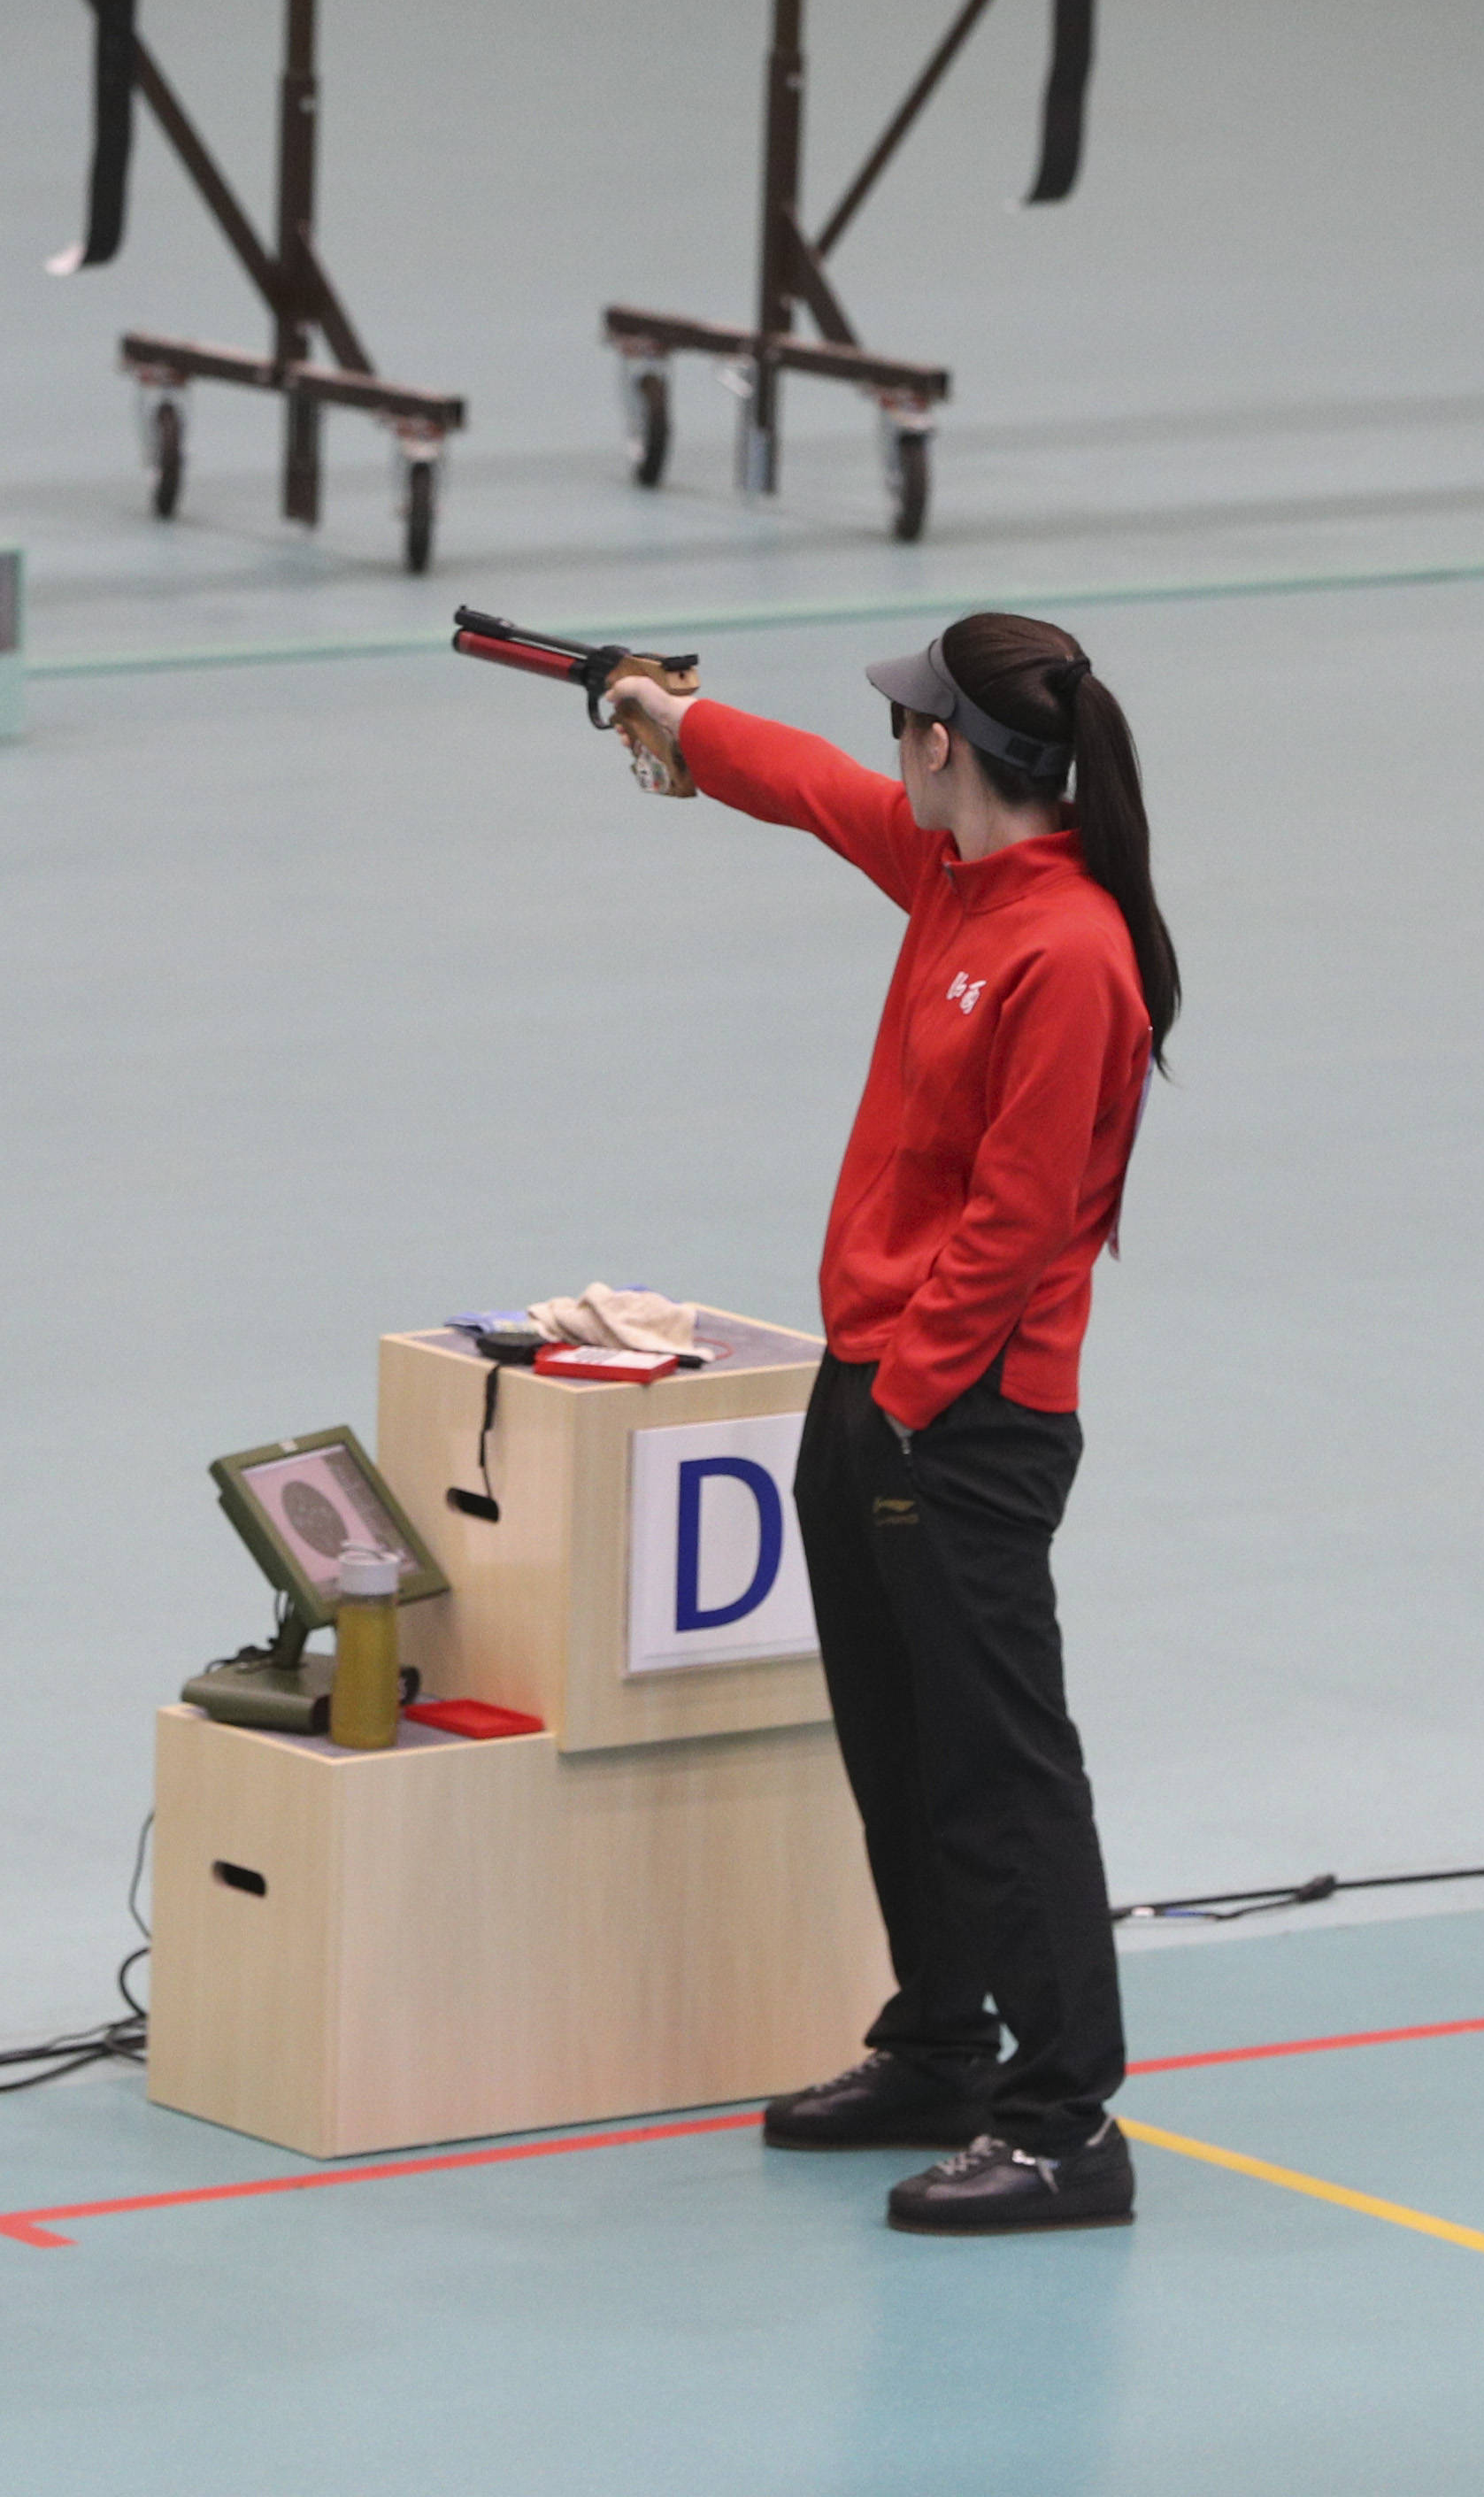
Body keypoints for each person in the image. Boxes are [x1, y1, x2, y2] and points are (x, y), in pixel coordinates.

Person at [606, 615, 1179, 2232]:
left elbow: (1017, 1222)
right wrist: (670, 716)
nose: (891, 751)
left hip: (967, 1412)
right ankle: (942, 2041)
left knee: (1001, 1768)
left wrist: (909, 1406)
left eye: (908, 726)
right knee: (896, 1743)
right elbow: (800, 783)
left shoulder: (1069, 951)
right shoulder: (950, 873)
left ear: (952, 751)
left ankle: (1066, 2119)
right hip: (878, 1383)